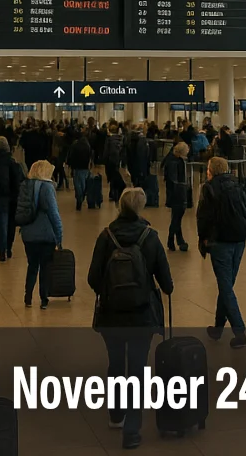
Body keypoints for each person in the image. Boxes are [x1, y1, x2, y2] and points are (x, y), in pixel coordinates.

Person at [86, 187, 173, 450]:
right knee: (137, 369)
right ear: (141, 208)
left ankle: (116, 414)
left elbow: (92, 278)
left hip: (112, 315)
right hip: (142, 315)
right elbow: (167, 283)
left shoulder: (106, 236)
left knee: (115, 364)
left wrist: (110, 290)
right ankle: (132, 430)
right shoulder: (150, 237)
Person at [198, 156, 246, 348]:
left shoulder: (209, 188)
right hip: (239, 239)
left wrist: (204, 237)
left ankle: (239, 331)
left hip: (220, 242)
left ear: (212, 171)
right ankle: (217, 328)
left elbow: (204, 216)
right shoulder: (239, 184)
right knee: (227, 284)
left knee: (225, 287)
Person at [19, 160, 65, 309]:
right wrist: (59, 237)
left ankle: (27, 297)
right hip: (45, 235)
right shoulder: (47, 187)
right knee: (45, 267)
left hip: (28, 234)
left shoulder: (25, 186)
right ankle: (44, 299)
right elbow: (54, 213)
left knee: (32, 265)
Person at [161, 142, 190, 252]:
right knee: (177, 218)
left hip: (174, 193)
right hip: (177, 194)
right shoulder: (174, 162)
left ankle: (179, 240)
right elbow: (174, 180)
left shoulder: (172, 159)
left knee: (176, 217)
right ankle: (171, 239)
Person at [68, 130, 93, 211]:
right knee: (83, 183)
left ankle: (79, 198)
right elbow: (90, 155)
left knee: (77, 184)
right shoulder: (87, 145)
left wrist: (70, 165)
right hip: (85, 167)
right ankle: (82, 195)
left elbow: (71, 156)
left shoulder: (74, 145)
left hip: (76, 167)